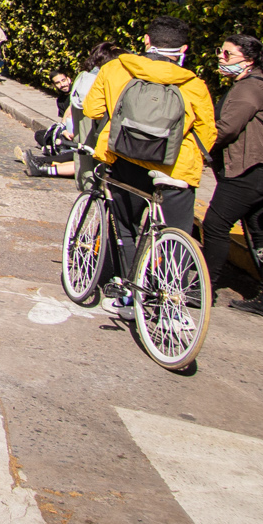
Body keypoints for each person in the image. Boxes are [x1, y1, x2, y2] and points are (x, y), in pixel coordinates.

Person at [80, 16, 217, 321]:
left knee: (127, 228)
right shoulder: (194, 84)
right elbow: (208, 132)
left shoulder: (116, 68)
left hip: (124, 159)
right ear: (183, 48)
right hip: (174, 169)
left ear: (146, 40)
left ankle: (130, 296)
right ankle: (172, 306)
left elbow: (92, 109)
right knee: (176, 235)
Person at [202, 36, 263, 320]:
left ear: (248, 60)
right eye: (221, 51)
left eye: (228, 54)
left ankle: (205, 288)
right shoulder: (259, 83)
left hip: (248, 168)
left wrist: (194, 144)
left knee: (215, 224)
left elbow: (226, 128)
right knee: (261, 231)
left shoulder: (249, 87)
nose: (221, 57)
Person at [27, 41, 120, 177]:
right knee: (48, 137)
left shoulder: (86, 81)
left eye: (63, 80)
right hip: (84, 133)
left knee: (81, 156)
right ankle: (43, 162)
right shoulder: (90, 82)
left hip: (94, 137)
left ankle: (43, 164)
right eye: (57, 83)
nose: (62, 85)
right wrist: (64, 127)